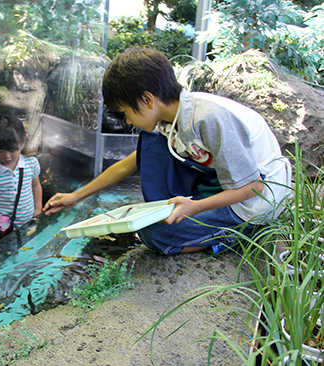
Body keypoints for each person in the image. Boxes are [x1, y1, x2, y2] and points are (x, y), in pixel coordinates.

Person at [44, 48, 291, 255]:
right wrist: (76, 196)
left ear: (148, 100)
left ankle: (240, 235)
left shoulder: (208, 118)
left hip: (255, 201)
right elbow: (128, 164)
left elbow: (254, 186)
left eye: (125, 112)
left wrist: (194, 207)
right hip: (225, 186)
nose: (128, 121)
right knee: (153, 166)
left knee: (156, 235)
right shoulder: (170, 120)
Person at [0, 116, 42, 248]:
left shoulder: (31, 164)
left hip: (26, 221)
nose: (7, 156)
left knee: (25, 247)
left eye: (12, 150)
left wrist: (38, 209)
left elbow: (36, 185)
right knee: (2, 250)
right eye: (1, 150)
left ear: (22, 143)